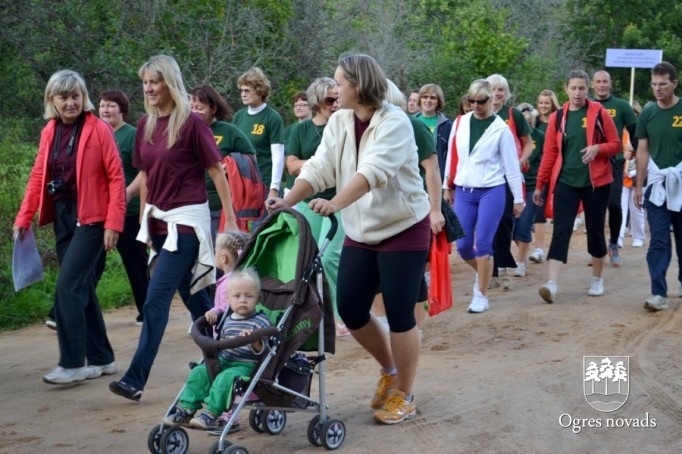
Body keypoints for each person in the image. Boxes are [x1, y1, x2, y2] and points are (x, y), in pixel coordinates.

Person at [267, 53, 436, 424]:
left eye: (339, 82)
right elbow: (320, 167)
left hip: (403, 227)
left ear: (358, 86)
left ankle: (404, 393)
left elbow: (372, 173)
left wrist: (334, 202)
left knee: (399, 311)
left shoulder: (396, 123)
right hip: (361, 230)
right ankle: (389, 369)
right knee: (352, 308)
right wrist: (286, 202)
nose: (333, 88)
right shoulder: (340, 121)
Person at [109, 55, 238, 401]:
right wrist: (141, 221)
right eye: (145, 83)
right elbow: (147, 174)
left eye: (155, 81)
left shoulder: (192, 124)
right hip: (158, 223)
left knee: (154, 301)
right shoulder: (145, 125)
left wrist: (232, 219)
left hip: (186, 225)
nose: (148, 88)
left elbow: (215, 170)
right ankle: (229, 354)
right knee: (199, 302)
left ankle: (135, 379)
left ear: (170, 82)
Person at [14, 69, 126, 384]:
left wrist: (113, 223)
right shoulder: (49, 130)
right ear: (52, 100)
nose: (71, 102)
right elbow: (38, 175)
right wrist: (24, 217)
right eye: (63, 97)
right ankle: (103, 359)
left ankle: (73, 362)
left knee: (67, 286)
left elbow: (117, 177)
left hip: (92, 217)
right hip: (63, 214)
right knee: (83, 287)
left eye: (75, 95)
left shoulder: (98, 129)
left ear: (83, 97)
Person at [533, 70, 620, 304]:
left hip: (596, 182)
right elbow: (550, 153)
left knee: (594, 230)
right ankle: (551, 284)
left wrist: (597, 149)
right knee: (561, 230)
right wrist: (541, 183)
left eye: (582, 88)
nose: (577, 92)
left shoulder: (599, 112)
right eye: (573, 88)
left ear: (587, 89)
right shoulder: (558, 117)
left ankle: (597, 279)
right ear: (566, 89)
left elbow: (615, 144)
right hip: (565, 182)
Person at [443, 79, 524, 313]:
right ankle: (485, 273)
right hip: (464, 190)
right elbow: (452, 154)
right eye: (472, 101)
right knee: (464, 245)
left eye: (481, 101)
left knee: (484, 244)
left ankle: (482, 293)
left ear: (491, 100)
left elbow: (511, 166)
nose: (476, 105)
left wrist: (518, 198)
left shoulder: (501, 129)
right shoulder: (460, 122)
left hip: (492, 190)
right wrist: (447, 184)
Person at [372, 79, 445, 335]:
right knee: (379, 271)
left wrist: (435, 210)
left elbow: (432, 170)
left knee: (412, 274)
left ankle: (417, 329)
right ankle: (383, 324)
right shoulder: (372, 128)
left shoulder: (414, 126)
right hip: (382, 211)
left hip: (414, 210)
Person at [161, 268, 270, 430]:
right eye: (237, 296)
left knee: (225, 379)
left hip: (244, 365)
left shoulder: (260, 321)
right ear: (228, 298)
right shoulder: (227, 319)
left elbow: (264, 350)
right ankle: (187, 408)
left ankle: (211, 413)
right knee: (198, 372)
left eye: (249, 296)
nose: (242, 300)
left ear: (258, 298)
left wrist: (254, 340)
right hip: (224, 361)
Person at [285, 77, 348, 336]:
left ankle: (342, 315)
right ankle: (314, 313)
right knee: (308, 258)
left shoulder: (345, 125)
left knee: (330, 256)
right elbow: (291, 166)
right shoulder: (300, 130)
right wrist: (319, 162)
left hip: (340, 199)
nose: (334, 105)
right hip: (308, 200)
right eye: (329, 100)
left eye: (336, 98)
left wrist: (310, 163)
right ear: (317, 102)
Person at [634, 61, 682, 311]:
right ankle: (658, 293)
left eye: (663, 84)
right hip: (657, 185)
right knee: (659, 240)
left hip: (681, 182)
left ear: (674, 83)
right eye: (654, 84)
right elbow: (642, 151)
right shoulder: (648, 114)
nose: (658, 89)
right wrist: (639, 185)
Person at [99, 90, 149, 325]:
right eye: (102, 106)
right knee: (91, 262)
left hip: (129, 211)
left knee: (136, 263)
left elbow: (145, 170)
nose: (106, 110)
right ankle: (65, 311)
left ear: (122, 110)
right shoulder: (98, 134)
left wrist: (129, 194)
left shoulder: (132, 135)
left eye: (111, 106)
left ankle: (148, 310)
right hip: (102, 211)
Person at [189, 84, 257, 238]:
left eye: (200, 108)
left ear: (213, 108)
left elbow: (251, 158)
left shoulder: (229, 131)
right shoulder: (185, 131)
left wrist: (232, 165)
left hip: (219, 206)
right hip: (191, 205)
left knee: (217, 253)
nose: (195, 112)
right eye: (191, 107)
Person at [486, 74, 533, 286]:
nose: (497, 93)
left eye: (501, 90)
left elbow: (528, 143)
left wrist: (521, 160)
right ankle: (491, 270)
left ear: (506, 93)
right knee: (487, 224)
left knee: (504, 223)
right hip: (485, 178)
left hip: (507, 178)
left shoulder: (513, 114)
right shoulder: (477, 114)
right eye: (493, 89)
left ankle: (503, 269)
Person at [592, 70, 638, 266]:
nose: (602, 85)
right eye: (598, 82)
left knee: (613, 204)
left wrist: (635, 154)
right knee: (594, 209)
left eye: (605, 82)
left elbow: (636, 132)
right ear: (593, 85)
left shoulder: (621, 106)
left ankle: (613, 245)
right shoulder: (586, 105)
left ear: (610, 84)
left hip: (615, 164)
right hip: (591, 165)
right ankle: (597, 250)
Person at [232, 68, 285, 201]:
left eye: (247, 90)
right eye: (241, 91)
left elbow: (278, 156)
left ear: (260, 91)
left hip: (264, 182)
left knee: (263, 222)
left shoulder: (272, 117)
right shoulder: (239, 116)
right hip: (242, 182)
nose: (243, 94)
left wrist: (274, 189)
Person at [511, 103, 545, 276]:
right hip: (512, 185)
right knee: (512, 227)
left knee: (524, 224)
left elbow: (547, 158)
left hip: (533, 185)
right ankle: (523, 251)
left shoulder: (539, 136)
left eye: (529, 117)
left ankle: (520, 261)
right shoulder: (510, 136)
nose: (527, 120)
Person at [529, 89, 560, 264]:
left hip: (556, 171)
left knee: (558, 211)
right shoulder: (535, 124)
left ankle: (556, 248)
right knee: (538, 210)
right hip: (537, 173)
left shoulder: (559, 121)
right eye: (540, 102)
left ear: (553, 104)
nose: (543, 106)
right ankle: (539, 248)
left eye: (547, 102)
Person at [619, 101, 645, 248]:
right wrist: (625, 153)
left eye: (634, 114)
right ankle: (619, 237)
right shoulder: (619, 133)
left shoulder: (641, 132)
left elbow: (646, 151)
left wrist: (633, 149)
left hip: (637, 175)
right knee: (621, 207)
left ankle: (639, 236)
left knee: (637, 206)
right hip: (622, 174)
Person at [415, 84, 453, 181]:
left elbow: (451, 155)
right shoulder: (410, 122)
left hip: (437, 177)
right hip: (414, 176)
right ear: (420, 99)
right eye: (425, 97)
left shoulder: (447, 125)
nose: (428, 100)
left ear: (438, 102)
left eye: (433, 98)